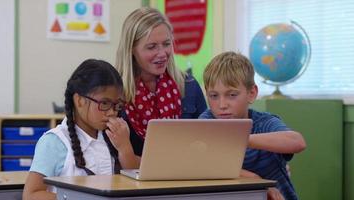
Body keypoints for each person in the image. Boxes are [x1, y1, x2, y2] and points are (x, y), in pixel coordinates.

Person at [23, 59, 139, 200]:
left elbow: (134, 183)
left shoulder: (112, 137)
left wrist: (125, 147)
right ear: (79, 101)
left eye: (117, 105)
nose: (112, 113)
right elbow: (31, 195)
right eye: (104, 103)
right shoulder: (54, 142)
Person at [199, 51, 306, 200]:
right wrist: (256, 181)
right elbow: (203, 164)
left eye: (232, 95)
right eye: (214, 96)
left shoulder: (263, 122)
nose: (222, 105)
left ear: (252, 93)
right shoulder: (205, 123)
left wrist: (242, 139)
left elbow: (297, 142)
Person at [116, 7, 207, 156]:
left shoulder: (188, 85)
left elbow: (207, 139)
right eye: (151, 47)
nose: (162, 53)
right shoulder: (115, 93)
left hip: (187, 175)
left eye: (166, 44)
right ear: (131, 49)